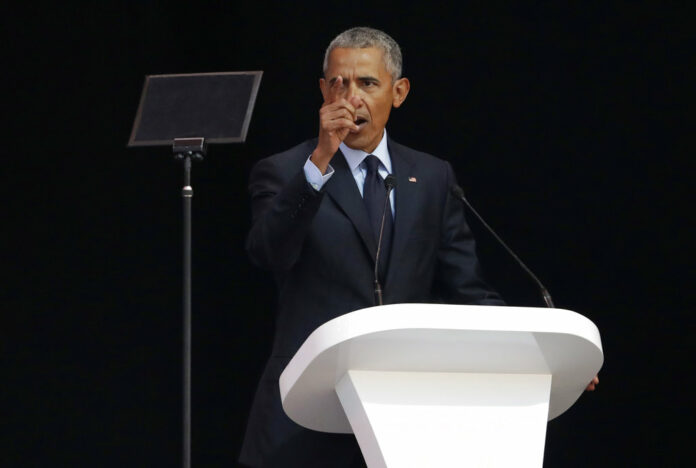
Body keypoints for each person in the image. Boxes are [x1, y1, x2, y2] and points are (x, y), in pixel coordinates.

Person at [238, 26, 595, 468]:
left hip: (405, 420)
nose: (351, 98)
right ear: (322, 91)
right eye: (338, 83)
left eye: (368, 83)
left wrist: (554, 356)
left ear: (399, 91)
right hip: (303, 417)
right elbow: (267, 253)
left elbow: (468, 291)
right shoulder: (286, 171)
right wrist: (319, 164)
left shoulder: (431, 177)